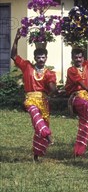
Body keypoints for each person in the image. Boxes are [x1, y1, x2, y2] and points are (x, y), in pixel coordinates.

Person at [11, 33, 58, 161]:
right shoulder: (27, 67)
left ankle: (37, 154)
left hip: (43, 101)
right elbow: (13, 56)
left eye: (43, 57)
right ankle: (47, 135)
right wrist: (16, 39)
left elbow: (52, 87)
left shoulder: (49, 73)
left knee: (40, 125)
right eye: (38, 57)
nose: (41, 59)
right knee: (35, 114)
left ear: (46, 58)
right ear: (34, 58)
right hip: (30, 99)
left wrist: (54, 90)